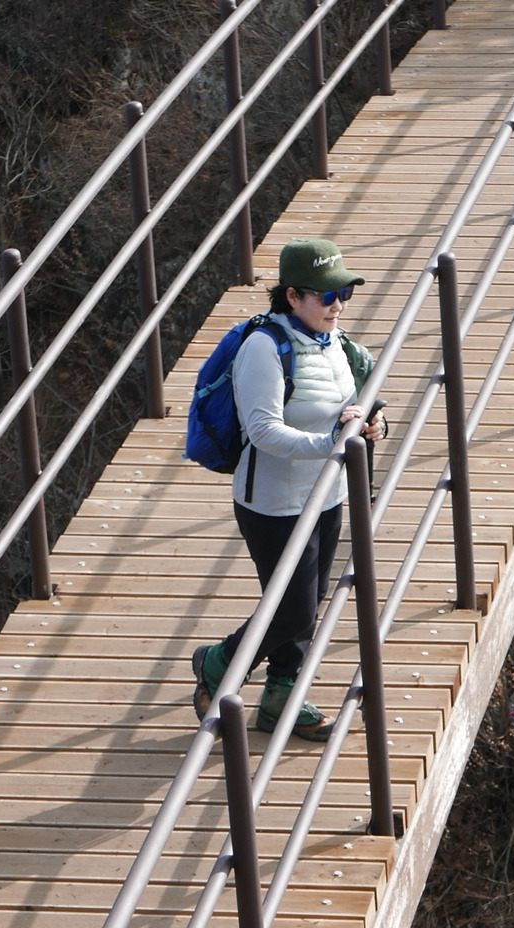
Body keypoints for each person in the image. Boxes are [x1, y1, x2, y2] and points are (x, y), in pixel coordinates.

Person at [192, 238, 386, 741]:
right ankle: (218, 661)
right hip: (272, 503)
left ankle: (282, 698)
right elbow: (263, 431)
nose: (338, 305)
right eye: (327, 296)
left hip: (327, 494)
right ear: (293, 296)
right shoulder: (264, 347)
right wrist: (331, 443)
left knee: (310, 600)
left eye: (344, 293)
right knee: (293, 609)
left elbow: (355, 405)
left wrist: (371, 426)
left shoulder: (336, 341)